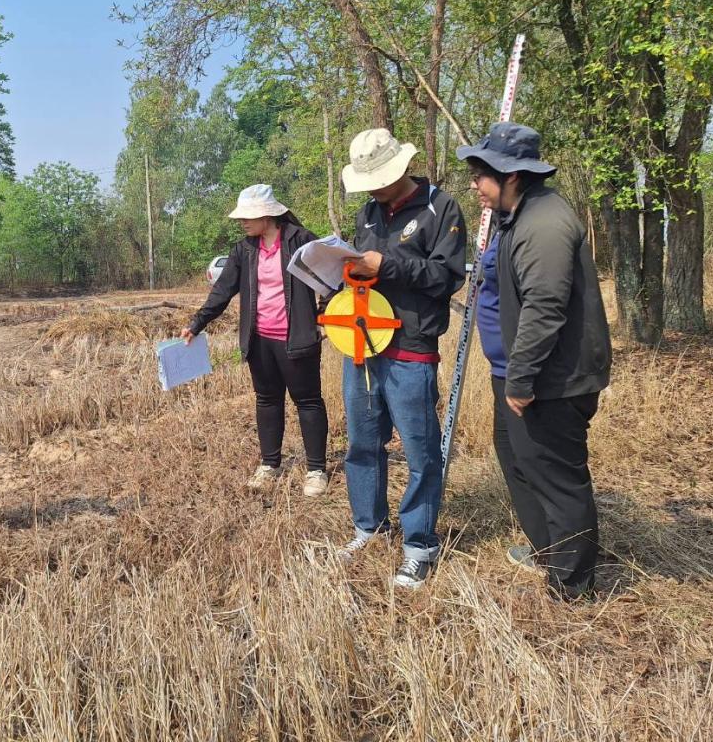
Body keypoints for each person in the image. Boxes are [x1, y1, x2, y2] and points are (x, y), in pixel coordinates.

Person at [457, 122, 611, 600]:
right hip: (520, 375)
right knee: (521, 459)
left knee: (557, 475)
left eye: (481, 175)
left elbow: (545, 308)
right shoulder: (519, 215)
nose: (474, 187)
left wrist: (521, 381)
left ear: (512, 177)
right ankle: (549, 549)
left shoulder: (543, 224)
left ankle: (572, 583)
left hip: (551, 380)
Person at [337, 128, 466, 589]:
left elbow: (447, 277)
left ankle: (419, 546)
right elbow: (362, 268)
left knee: (420, 451)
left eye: (380, 180)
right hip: (361, 344)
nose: (373, 190)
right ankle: (368, 528)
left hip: (411, 346)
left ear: (402, 169)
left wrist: (385, 265)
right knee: (362, 443)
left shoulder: (441, 207)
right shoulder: (368, 211)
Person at [181, 184, 331, 497]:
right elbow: (223, 290)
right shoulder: (244, 250)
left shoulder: (302, 240)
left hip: (297, 338)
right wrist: (198, 323)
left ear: (268, 214)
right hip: (259, 339)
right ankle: (269, 464)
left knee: (307, 401)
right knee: (266, 399)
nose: (242, 222)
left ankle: (316, 469)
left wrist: (323, 316)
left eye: (248, 216)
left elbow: (332, 279)